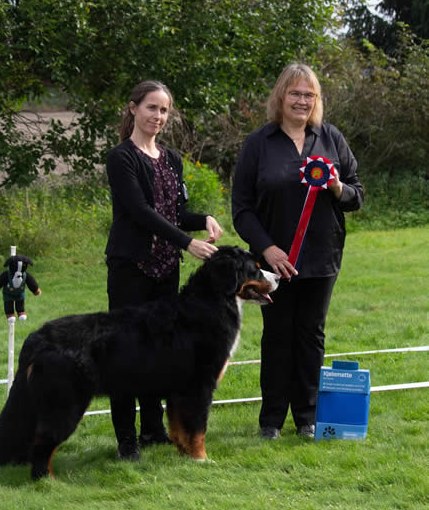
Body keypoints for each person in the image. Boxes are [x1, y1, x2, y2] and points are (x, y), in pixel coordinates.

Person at [231, 63, 363, 439]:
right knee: (277, 336)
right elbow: (241, 207)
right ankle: (271, 419)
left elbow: (357, 195)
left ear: (316, 101)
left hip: (322, 258)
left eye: (309, 95)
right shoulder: (258, 143)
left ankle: (307, 418)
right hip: (275, 262)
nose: (302, 101)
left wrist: (338, 188)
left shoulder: (331, 138)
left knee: (310, 335)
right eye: (295, 93)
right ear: (281, 97)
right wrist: (267, 249)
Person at [105, 80, 223, 460]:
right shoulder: (120, 158)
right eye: (151, 108)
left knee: (160, 353)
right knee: (126, 353)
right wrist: (188, 243)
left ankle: (153, 431)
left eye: (164, 110)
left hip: (165, 270)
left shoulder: (171, 159)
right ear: (133, 109)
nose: (158, 116)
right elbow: (141, 212)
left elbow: (173, 214)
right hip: (130, 269)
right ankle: (126, 441)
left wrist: (202, 218)